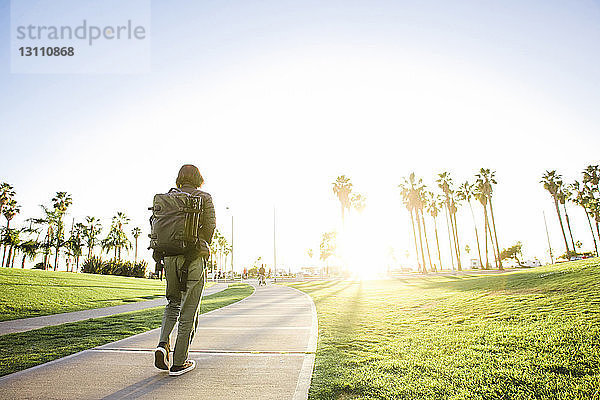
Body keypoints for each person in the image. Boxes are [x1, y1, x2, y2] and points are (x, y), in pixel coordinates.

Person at [154, 164, 215, 376]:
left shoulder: (167, 198)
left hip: (169, 258)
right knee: (189, 310)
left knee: (172, 303)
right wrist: (201, 245)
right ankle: (179, 362)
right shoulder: (204, 197)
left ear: (180, 178)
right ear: (199, 178)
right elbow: (210, 227)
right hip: (194, 259)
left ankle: (163, 344)